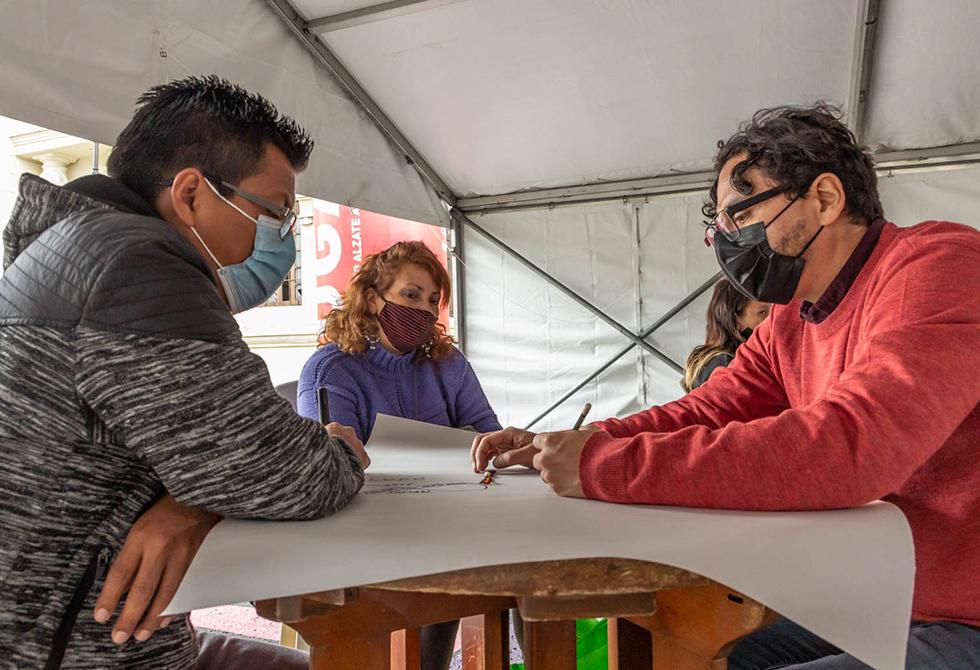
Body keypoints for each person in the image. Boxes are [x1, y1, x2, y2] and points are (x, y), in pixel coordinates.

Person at [472, 103, 980, 669]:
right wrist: (574, 442)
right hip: (885, 597)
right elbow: (705, 410)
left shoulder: (939, 267)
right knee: (708, 654)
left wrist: (605, 466)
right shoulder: (791, 320)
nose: (727, 240)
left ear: (825, 198)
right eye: (720, 226)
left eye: (741, 214)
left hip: (964, 617)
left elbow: (852, 446)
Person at [0, 76, 369, 669]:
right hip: (79, 650)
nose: (281, 237)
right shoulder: (139, 270)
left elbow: (226, 460)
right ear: (192, 193)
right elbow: (290, 475)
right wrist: (341, 448)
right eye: (274, 212)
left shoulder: (75, 249)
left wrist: (196, 501)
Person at [298, 240, 501, 670]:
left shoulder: (446, 362)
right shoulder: (331, 370)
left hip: (447, 527)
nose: (423, 310)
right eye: (411, 295)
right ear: (373, 300)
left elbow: (489, 433)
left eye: (432, 301)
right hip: (366, 541)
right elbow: (328, 467)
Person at [682, 279, 770, 391]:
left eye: (772, 311)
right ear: (736, 320)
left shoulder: (715, 362)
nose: (771, 318)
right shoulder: (725, 365)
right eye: (762, 312)